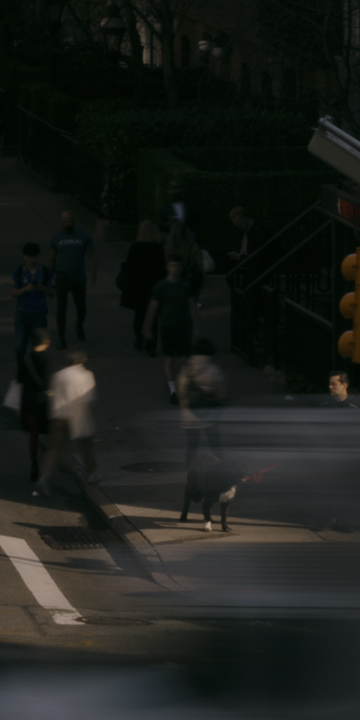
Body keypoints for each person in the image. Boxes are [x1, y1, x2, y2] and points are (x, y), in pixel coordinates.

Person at [179, 338, 231, 529]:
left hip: (190, 417)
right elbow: (221, 392)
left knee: (191, 447)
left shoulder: (187, 368)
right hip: (209, 416)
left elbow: (182, 392)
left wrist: (188, 409)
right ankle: (220, 471)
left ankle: (192, 476)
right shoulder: (213, 370)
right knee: (216, 446)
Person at [43, 349, 99, 496]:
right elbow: (89, 397)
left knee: (55, 448)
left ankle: (45, 477)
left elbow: (51, 393)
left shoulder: (58, 375)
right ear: (81, 361)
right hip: (78, 415)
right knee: (86, 445)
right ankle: (91, 473)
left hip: (59, 416)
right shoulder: (86, 375)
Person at [150, 256, 200, 398]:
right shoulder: (161, 286)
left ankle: (179, 383)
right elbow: (153, 307)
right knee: (169, 359)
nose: (175, 269)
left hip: (183, 326)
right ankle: (173, 389)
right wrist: (147, 327)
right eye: (172, 265)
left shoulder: (185, 285)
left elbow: (191, 306)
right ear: (168, 267)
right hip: (167, 326)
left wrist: (196, 327)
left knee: (182, 359)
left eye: (178, 266)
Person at [116, 222, 168, 353]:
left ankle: (139, 340)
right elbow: (162, 269)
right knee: (154, 317)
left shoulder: (135, 247)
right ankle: (151, 345)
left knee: (139, 315)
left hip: (138, 287)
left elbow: (129, 267)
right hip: (153, 286)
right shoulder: (158, 248)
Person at [14, 329, 55, 483]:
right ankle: (47, 466)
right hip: (42, 404)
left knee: (34, 434)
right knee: (49, 433)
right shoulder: (45, 360)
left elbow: (19, 379)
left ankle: (34, 465)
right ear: (46, 342)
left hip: (28, 403)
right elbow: (47, 382)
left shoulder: (25, 359)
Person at [49, 213, 96, 348]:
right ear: (61, 222)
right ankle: (61, 338)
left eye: (69, 221)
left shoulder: (84, 236)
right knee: (61, 309)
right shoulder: (56, 238)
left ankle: (79, 324)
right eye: (64, 222)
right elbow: (51, 258)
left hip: (78, 277)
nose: (67, 224)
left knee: (81, 307)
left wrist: (93, 274)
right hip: (62, 277)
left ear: (74, 221)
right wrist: (50, 276)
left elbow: (92, 255)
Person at [9, 242, 55, 348]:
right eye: (30, 257)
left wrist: (41, 288)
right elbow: (13, 293)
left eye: (35, 257)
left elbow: (52, 293)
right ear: (25, 257)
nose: (33, 260)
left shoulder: (44, 271)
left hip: (40, 313)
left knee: (39, 346)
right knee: (20, 345)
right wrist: (25, 289)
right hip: (23, 313)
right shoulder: (19, 271)